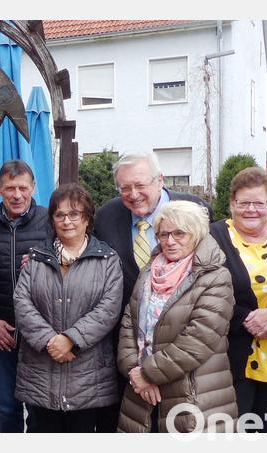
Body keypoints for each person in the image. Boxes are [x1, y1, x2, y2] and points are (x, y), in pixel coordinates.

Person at [92, 150, 213, 432]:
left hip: (184, 355)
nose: (133, 194)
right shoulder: (107, 216)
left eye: (140, 185)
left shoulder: (195, 210)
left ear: (160, 180)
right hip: (128, 350)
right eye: (125, 188)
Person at [118, 200, 237, 432]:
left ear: (196, 233)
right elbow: (127, 324)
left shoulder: (215, 276)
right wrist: (135, 373)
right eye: (163, 234)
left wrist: (147, 373)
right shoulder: (149, 271)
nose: (170, 241)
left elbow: (198, 340)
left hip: (192, 395)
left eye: (179, 233)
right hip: (141, 395)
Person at [13, 183, 122, 432]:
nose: (67, 221)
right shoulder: (36, 257)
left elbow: (108, 309)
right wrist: (51, 340)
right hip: (41, 371)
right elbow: (22, 302)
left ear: (87, 218)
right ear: (52, 219)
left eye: (74, 214)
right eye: (59, 214)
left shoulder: (107, 259)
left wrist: (71, 339)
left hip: (88, 374)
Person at [210, 167, 267, 432]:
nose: (251, 210)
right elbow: (203, 290)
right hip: (228, 356)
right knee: (231, 432)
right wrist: (247, 318)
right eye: (243, 203)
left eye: (259, 203)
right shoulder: (213, 237)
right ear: (231, 204)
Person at [0, 160, 51, 432]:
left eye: (23, 188)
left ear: (33, 188)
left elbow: (72, 266)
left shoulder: (51, 223)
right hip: (4, 332)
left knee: (40, 407)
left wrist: (47, 261)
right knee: (7, 406)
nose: (17, 195)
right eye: (10, 188)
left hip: (43, 332)